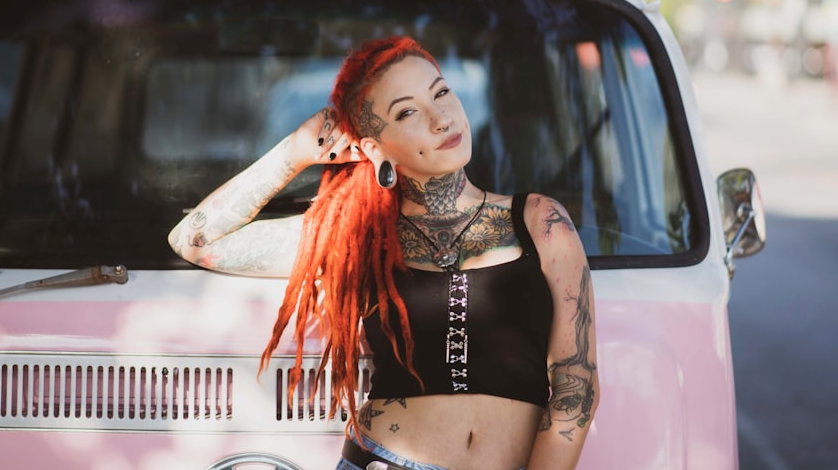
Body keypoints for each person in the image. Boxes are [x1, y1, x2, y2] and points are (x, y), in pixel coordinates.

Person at [168, 35, 599, 470]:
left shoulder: (540, 221)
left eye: (442, 93)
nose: (440, 118)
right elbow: (197, 240)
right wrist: (294, 153)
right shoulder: (357, 236)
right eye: (407, 112)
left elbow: (575, 381)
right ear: (375, 149)